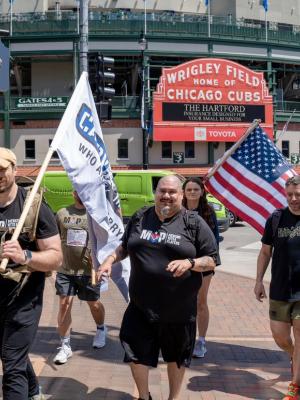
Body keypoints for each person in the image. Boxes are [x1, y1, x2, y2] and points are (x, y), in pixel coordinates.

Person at [97, 175, 219, 400]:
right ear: (155, 193)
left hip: (178, 310)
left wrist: (190, 263)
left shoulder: (193, 223)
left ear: (181, 195)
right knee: (133, 352)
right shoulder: (141, 217)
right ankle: (144, 396)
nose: (166, 196)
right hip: (141, 306)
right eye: (162, 191)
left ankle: (173, 398)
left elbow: (211, 260)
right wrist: (109, 260)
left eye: (172, 192)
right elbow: (125, 247)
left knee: (176, 358)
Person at [0, 147, 62, 400]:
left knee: (11, 365)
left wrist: (25, 255)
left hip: (24, 298)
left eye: (2, 169)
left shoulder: (33, 206)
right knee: (10, 353)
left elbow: (56, 257)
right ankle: (34, 390)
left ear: (15, 170)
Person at [254, 175, 300, 400]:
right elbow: (265, 252)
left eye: (298, 195)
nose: (294, 199)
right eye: (290, 194)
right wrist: (258, 280)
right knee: (280, 337)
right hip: (280, 289)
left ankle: (294, 387)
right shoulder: (276, 218)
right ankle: (296, 356)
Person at [53, 191, 106, 365]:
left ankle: (100, 329)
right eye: (77, 190)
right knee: (64, 304)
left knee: (94, 304)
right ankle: (65, 345)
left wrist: (100, 260)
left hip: (88, 271)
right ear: (73, 192)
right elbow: (54, 238)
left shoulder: (96, 215)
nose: (81, 194)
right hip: (66, 269)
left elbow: (106, 240)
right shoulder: (62, 213)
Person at [182, 177, 220, 358]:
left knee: (200, 302)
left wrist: (211, 262)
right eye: (188, 189)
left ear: (202, 191)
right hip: (182, 263)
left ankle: (201, 341)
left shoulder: (208, 212)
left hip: (203, 263)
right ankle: (183, 338)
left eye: (195, 189)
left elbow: (214, 240)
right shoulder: (178, 210)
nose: (191, 192)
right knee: (182, 301)